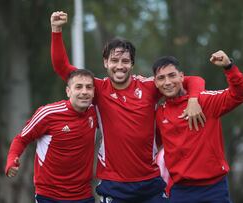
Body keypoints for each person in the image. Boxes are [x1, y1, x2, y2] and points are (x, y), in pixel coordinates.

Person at [50, 11, 206, 203]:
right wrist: (56, 30)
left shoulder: (149, 87)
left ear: (132, 64)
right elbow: (61, 66)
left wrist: (193, 99)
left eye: (125, 61)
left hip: (150, 182)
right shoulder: (98, 88)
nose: (119, 66)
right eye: (114, 61)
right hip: (114, 184)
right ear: (106, 62)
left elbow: (193, 80)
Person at [154, 51, 243, 203]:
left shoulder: (205, 101)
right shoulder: (159, 112)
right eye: (161, 78)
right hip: (180, 191)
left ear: (181, 76)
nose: (167, 82)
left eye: (172, 75)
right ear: (155, 83)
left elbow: (240, 94)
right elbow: (151, 145)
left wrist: (229, 67)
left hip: (214, 189)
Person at [5, 69, 98, 203]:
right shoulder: (48, 113)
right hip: (49, 196)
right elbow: (21, 138)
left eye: (88, 87)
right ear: (68, 91)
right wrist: (12, 159)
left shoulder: (95, 112)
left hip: (83, 195)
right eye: (78, 87)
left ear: (94, 92)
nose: (84, 92)